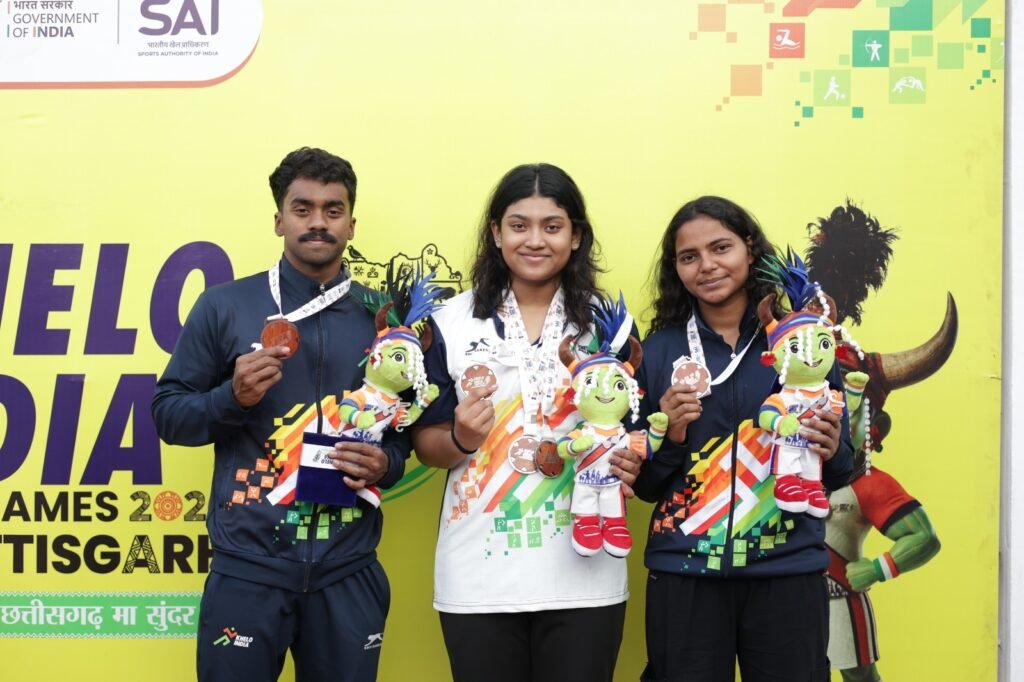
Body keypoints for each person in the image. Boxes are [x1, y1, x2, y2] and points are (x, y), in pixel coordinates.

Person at [152, 147, 410, 682]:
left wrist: (386, 463)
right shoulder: (224, 306)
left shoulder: (385, 318)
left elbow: (406, 426)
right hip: (249, 570)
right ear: (279, 220)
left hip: (348, 568)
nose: (318, 222)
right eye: (302, 208)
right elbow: (169, 415)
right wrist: (232, 398)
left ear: (351, 224)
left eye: (333, 210)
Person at [410, 163, 644, 682]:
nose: (535, 240)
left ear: (576, 236)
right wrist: (460, 438)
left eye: (552, 226)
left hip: (586, 574)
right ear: (496, 233)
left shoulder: (610, 326)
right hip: (479, 574)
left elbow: (634, 430)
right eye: (519, 225)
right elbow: (425, 443)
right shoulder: (451, 322)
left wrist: (632, 457)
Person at [634, 195, 854, 682]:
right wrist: (672, 436)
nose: (707, 266)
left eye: (721, 248)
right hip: (687, 570)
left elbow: (841, 470)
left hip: (787, 568)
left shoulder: (802, 341)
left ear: (750, 249)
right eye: (689, 257)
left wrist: (832, 445)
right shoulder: (658, 353)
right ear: (676, 269)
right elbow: (645, 487)